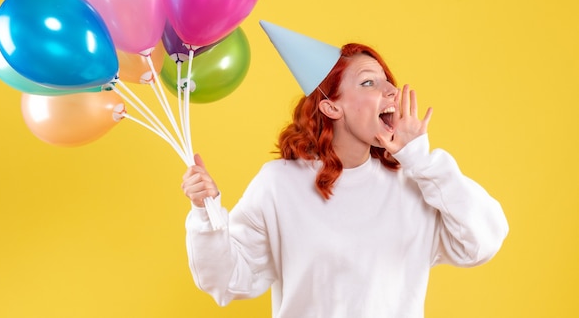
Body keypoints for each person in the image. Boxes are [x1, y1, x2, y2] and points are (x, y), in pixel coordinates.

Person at [181, 21, 509, 318]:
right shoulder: (279, 184)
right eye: (369, 83)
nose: (391, 91)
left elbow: (484, 241)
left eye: (388, 82)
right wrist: (205, 211)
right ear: (331, 106)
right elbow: (227, 281)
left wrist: (420, 159)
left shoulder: (415, 185)